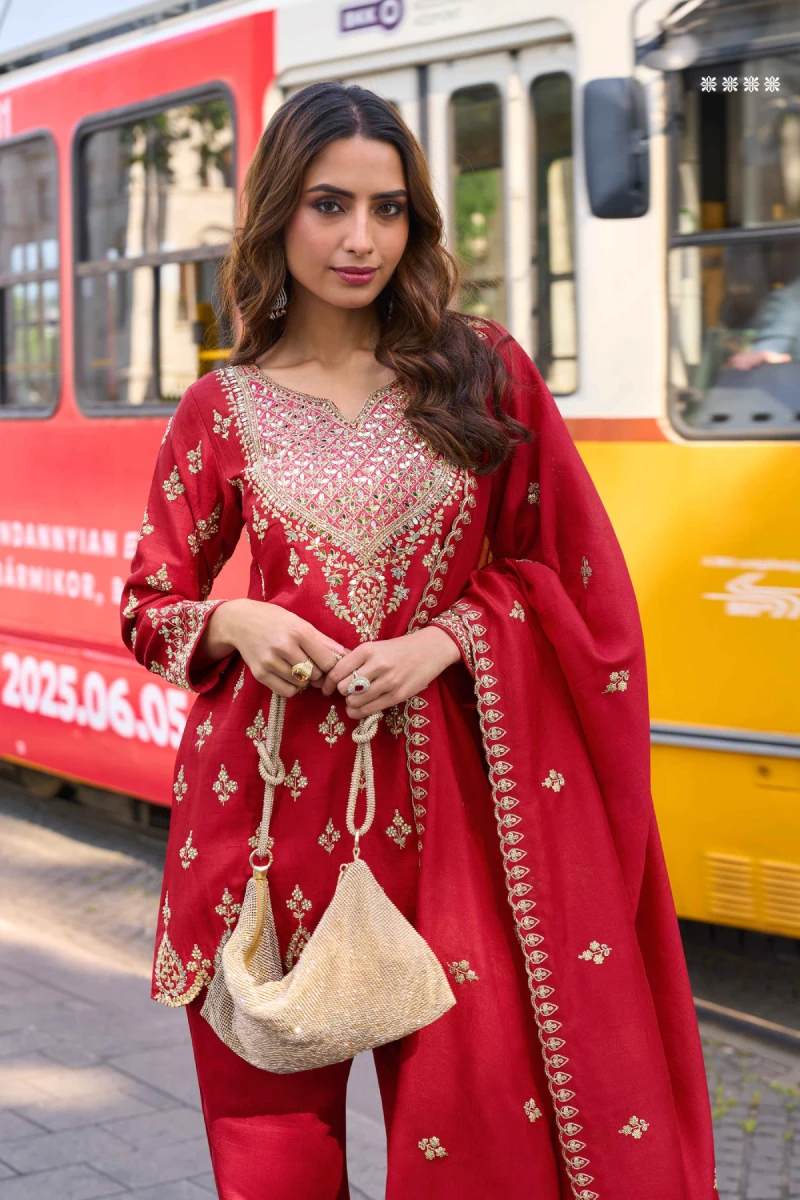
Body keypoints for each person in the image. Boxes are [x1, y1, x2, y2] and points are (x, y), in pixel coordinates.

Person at [120, 82, 717, 1199]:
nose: (359, 240)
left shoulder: (480, 372)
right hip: (264, 827)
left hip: (457, 828)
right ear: (274, 217)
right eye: (327, 205)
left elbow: (576, 586)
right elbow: (148, 606)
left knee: (484, 1153)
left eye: (387, 209)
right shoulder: (222, 408)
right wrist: (232, 620)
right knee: (273, 1167)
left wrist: (449, 636)